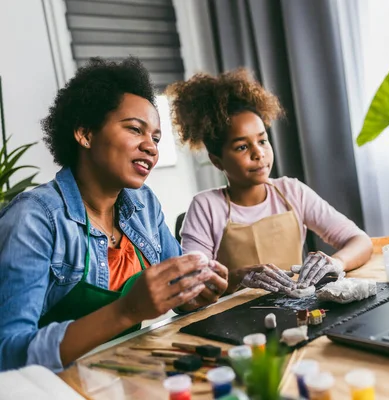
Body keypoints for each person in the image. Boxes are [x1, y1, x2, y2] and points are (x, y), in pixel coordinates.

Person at [0, 57, 228, 372]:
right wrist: (127, 310)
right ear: (85, 134)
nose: (151, 147)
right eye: (135, 129)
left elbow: (180, 288)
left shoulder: (143, 204)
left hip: (129, 374)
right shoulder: (35, 219)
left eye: (156, 138)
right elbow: (8, 354)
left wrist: (196, 292)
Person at [167, 68, 372, 295]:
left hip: (298, 308)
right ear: (217, 161)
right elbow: (193, 285)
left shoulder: (293, 191)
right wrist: (238, 277)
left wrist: (336, 263)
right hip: (234, 318)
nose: (259, 154)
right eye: (242, 147)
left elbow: (360, 240)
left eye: (262, 141)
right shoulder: (206, 206)